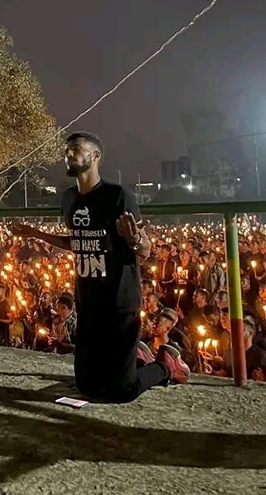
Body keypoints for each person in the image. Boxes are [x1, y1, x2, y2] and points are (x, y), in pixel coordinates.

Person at [10, 131, 189, 402]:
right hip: (87, 300)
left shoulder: (117, 196)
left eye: (76, 149)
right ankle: (135, 359)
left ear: (95, 157)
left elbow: (145, 249)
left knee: (122, 392)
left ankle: (165, 365)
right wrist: (36, 234)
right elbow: (78, 241)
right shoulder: (69, 199)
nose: (69, 154)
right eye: (67, 150)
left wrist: (134, 238)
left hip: (119, 301)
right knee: (87, 386)